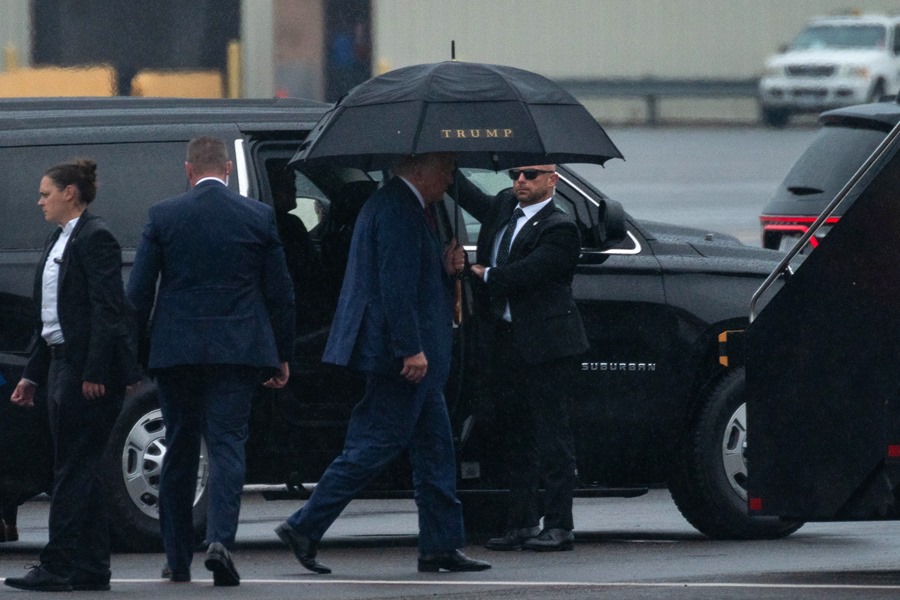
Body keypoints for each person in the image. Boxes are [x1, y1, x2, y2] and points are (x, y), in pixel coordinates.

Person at [274, 152, 490, 574]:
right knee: (374, 444)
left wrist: (448, 267)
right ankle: (304, 525)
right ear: (420, 170)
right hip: (404, 358)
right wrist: (409, 348)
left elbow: (413, 274)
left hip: (416, 356)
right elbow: (395, 287)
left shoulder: (408, 206)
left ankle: (440, 545)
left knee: (435, 451)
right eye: (446, 170)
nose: (450, 179)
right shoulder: (397, 210)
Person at [127, 136, 295, 586]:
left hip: (176, 352)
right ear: (227, 170)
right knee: (227, 446)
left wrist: (130, 358)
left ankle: (177, 558)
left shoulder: (163, 216)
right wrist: (281, 354)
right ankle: (221, 540)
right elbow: (280, 293)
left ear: (187, 170)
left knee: (180, 448)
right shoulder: (256, 217)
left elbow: (138, 293)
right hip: (238, 350)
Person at [5, 159, 140, 592]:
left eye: (46, 193)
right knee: (83, 469)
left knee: (70, 470)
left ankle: (58, 564)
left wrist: (96, 370)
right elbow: (52, 319)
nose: (40, 201)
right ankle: (93, 566)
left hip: (84, 372)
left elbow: (108, 310)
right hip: (60, 365)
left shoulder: (95, 238)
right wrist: (32, 375)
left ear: (69, 193)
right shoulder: (58, 238)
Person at [458, 164, 588, 552]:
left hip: (547, 346)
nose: (520, 181)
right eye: (516, 174)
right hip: (507, 341)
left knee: (553, 435)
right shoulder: (503, 207)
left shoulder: (560, 228)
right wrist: (448, 165)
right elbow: (468, 197)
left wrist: (481, 273)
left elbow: (528, 274)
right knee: (516, 435)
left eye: (530, 175)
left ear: (552, 181)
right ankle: (522, 521)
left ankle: (560, 524)